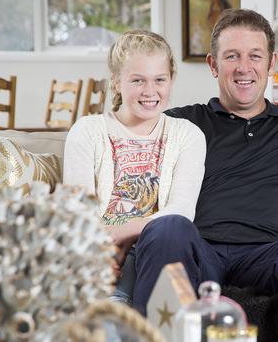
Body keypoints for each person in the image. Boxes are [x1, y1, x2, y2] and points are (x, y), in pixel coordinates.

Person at [134, 9, 278, 341]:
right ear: (213, 64)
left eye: (255, 56)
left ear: (271, 62)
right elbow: (119, 145)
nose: (244, 67)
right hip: (200, 249)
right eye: (231, 56)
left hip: (272, 254)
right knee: (168, 227)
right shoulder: (181, 123)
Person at [63, 30, 206, 305]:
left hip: (158, 251)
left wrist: (122, 232)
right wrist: (99, 251)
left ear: (172, 80)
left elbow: (181, 211)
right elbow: (77, 213)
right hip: (100, 253)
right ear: (116, 82)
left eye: (159, 80)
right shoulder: (87, 131)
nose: (150, 91)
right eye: (138, 80)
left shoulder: (187, 135)